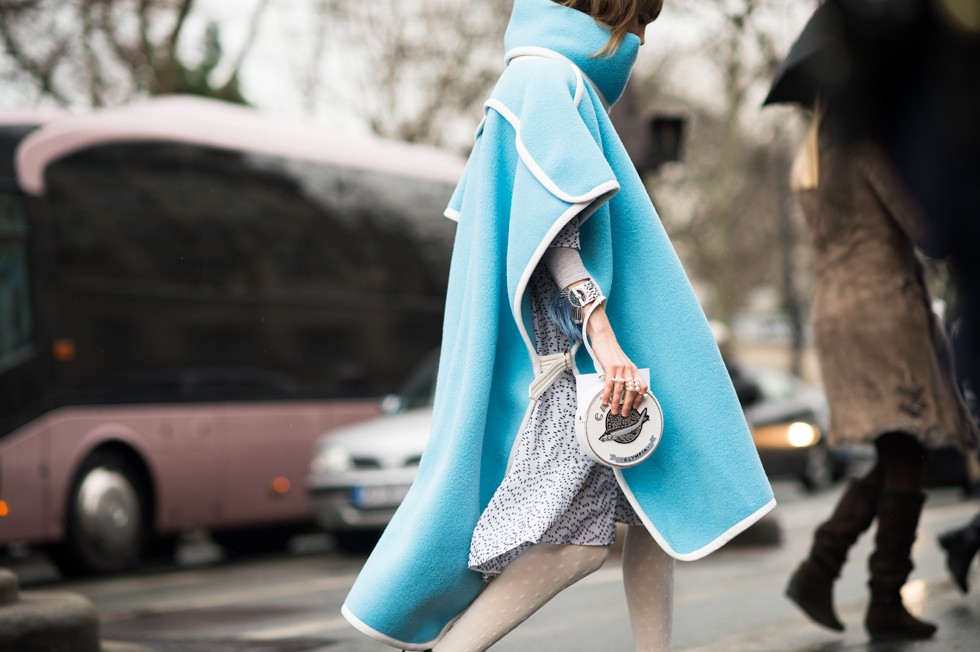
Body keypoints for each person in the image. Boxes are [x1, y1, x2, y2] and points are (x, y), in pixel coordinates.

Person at [341, 2, 775, 650]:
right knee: (576, 545)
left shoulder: (540, 79)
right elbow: (555, 229)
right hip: (573, 363)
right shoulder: (549, 77)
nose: (640, 40)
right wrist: (604, 337)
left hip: (580, 358)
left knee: (657, 512)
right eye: (639, 22)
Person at [784, 103, 976, 642]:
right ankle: (877, 594)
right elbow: (926, 226)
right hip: (882, 309)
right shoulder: (867, 140)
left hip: (836, 310)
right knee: (907, 445)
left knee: (900, 449)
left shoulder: (810, 156)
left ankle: (825, 570)